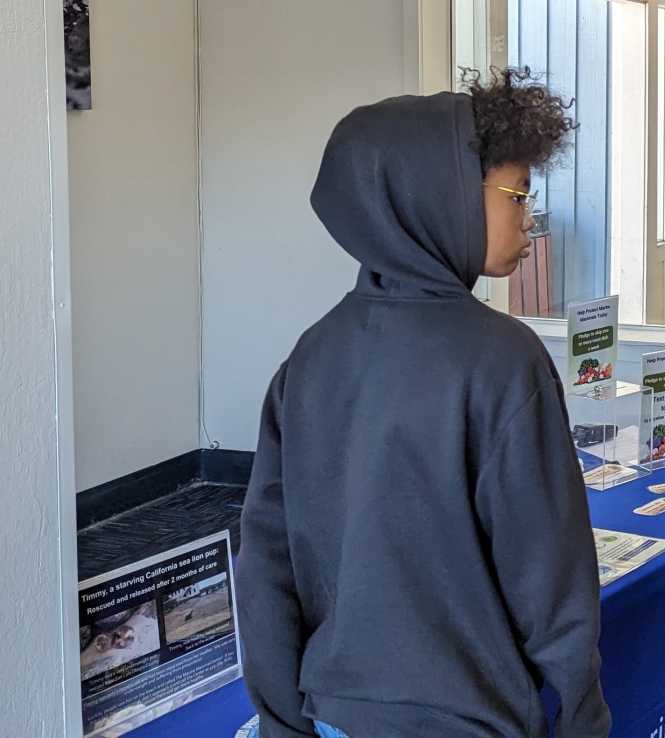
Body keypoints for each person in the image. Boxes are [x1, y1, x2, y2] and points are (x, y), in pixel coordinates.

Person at [236, 68, 610, 738]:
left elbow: (265, 565)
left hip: (334, 714)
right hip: (469, 718)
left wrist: (281, 720)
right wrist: (584, 710)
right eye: (517, 195)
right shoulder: (501, 359)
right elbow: (549, 575)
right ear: (441, 197)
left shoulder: (310, 356)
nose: (530, 219)